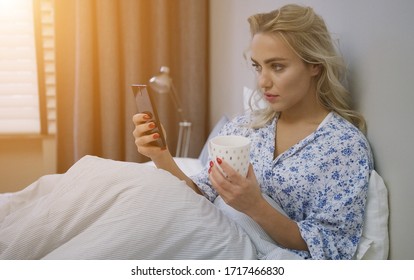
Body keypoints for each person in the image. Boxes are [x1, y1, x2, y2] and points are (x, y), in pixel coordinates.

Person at [133, 4, 373, 260]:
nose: (262, 81)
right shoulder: (244, 128)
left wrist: (255, 207)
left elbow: (331, 245)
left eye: (277, 67)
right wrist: (160, 156)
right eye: (258, 67)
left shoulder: (344, 146)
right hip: (208, 240)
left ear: (314, 64)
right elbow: (201, 195)